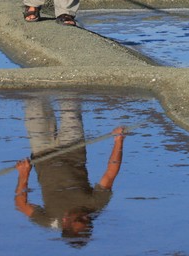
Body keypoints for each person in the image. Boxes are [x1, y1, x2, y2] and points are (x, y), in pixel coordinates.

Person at [14, 96, 127, 244]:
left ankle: (31, 73)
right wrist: (119, 140)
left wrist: (23, 174)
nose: (86, 217)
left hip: (42, 153)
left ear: (65, 222)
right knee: (69, 101)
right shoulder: (96, 204)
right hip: (73, 146)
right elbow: (110, 173)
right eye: (88, 221)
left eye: (80, 219)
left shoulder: (49, 221)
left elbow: (21, 204)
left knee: (34, 103)